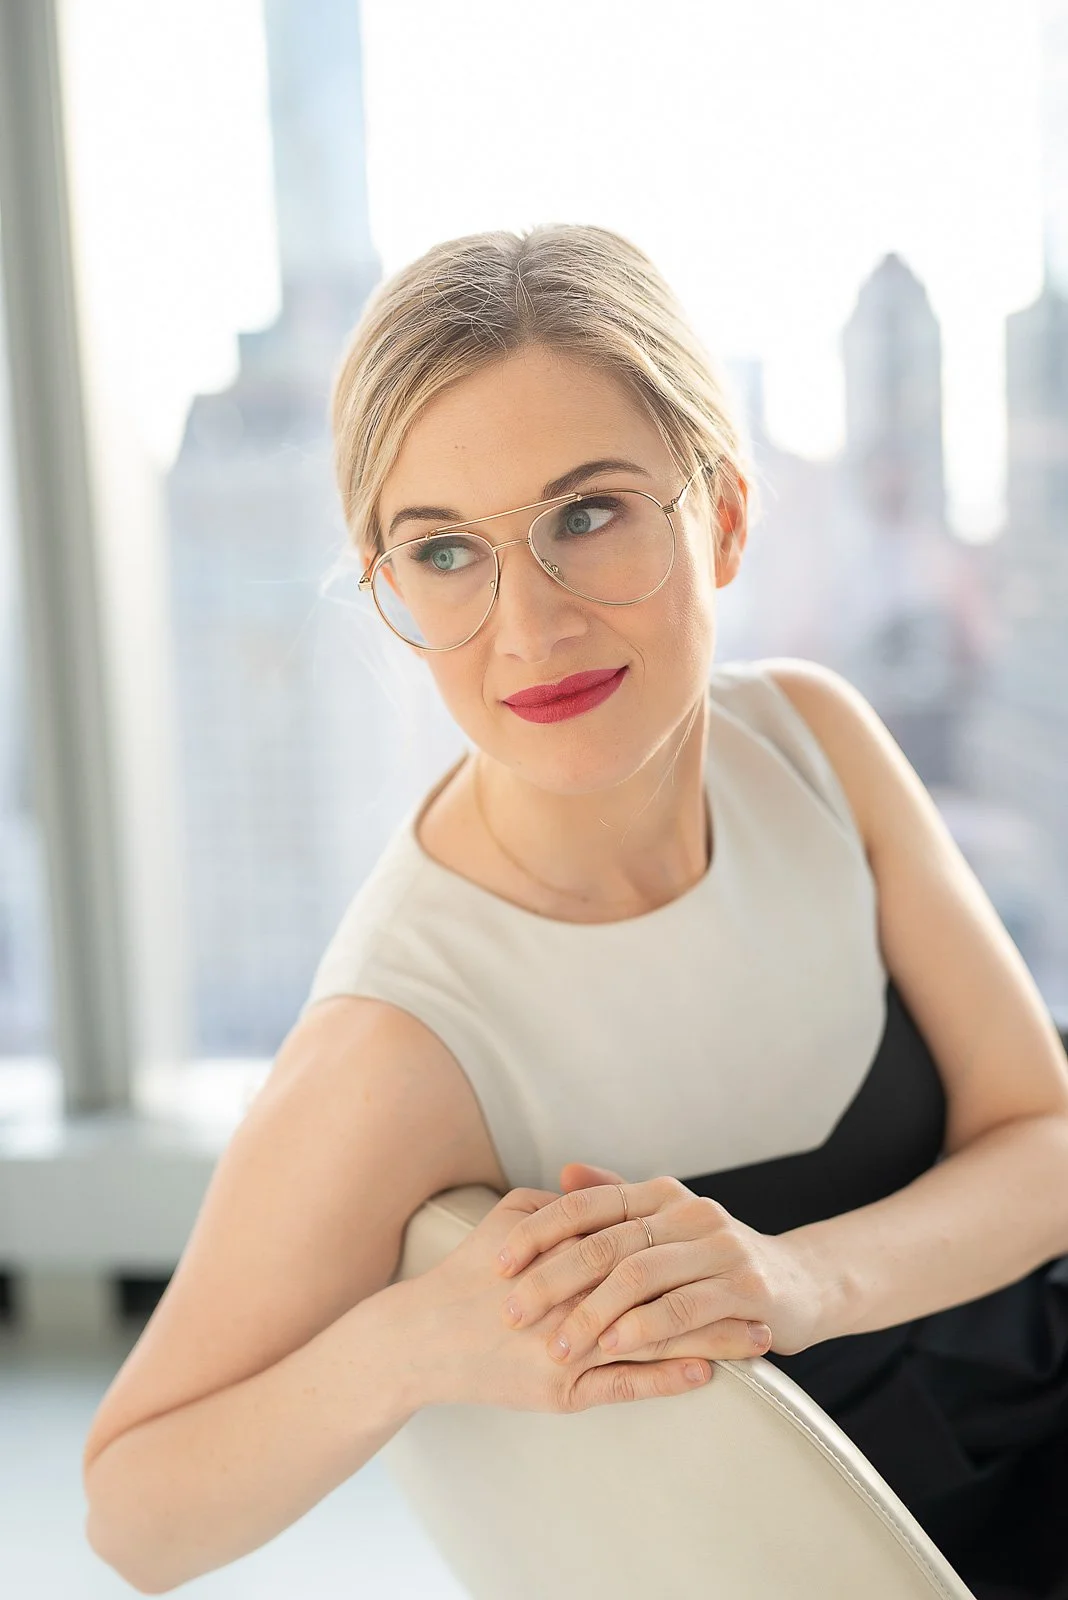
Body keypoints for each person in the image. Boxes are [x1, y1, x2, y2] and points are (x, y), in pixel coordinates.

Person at [83, 223, 1068, 1600]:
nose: (529, 628)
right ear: (387, 586)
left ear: (724, 516)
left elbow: (1045, 1139)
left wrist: (799, 1281)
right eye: (444, 550)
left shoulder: (817, 744)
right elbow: (133, 1512)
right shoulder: (401, 1040)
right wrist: (411, 1344)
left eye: (588, 515)